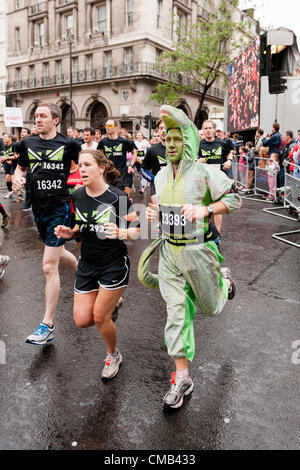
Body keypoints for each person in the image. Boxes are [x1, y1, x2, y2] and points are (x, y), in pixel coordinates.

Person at [138, 106, 241, 410]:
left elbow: (235, 199)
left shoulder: (205, 172)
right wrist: (154, 216)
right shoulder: (158, 177)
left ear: (188, 142)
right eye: (166, 139)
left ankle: (223, 282)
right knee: (177, 314)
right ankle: (182, 377)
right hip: (170, 253)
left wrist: (206, 210)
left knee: (210, 308)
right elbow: (165, 215)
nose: (170, 144)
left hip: (199, 251)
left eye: (176, 139)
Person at [54, 150, 140, 380]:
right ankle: (113, 303)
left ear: (100, 168)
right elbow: (78, 228)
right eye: (80, 165)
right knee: (82, 320)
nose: (81, 169)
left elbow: (139, 228)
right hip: (88, 264)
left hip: (113, 264)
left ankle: (113, 355)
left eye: (87, 164)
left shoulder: (117, 197)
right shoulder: (78, 196)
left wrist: (123, 231)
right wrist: (68, 233)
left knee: (100, 317)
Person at [12, 103, 81, 346]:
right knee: (60, 253)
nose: (37, 120)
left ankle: (47, 325)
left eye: (43, 116)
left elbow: (82, 169)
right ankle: (89, 274)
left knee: (48, 266)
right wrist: (18, 181)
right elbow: (20, 169)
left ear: (55, 120)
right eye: (36, 116)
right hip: (38, 209)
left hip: (60, 208)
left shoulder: (69, 145)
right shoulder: (27, 144)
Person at [198, 120, 234, 236]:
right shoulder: (199, 145)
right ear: (203, 130)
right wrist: (197, 160)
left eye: (210, 128)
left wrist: (229, 160)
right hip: (203, 180)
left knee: (217, 207)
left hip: (218, 180)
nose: (208, 130)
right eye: (205, 128)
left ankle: (217, 235)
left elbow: (229, 153)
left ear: (214, 130)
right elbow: (193, 158)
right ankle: (205, 232)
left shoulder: (221, 143)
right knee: (204, 206)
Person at [97, 119, 137, 195]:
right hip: (107, 173)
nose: (107, 127)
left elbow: (134, 152)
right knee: (108, 196)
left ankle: (123, 207)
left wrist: (131, 166)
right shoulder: (103, 142)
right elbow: (98, 155)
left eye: (110, 126)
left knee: (121, 196)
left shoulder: (123, 141)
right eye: (106, 126)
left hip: (120, 174)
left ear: (115, 127)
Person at [141, 119, 167, 204]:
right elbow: (143, 169)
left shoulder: (179, 148)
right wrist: (154, 179)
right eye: (161, 128)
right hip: (157, 187)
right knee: (159, 213)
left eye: (166, 128)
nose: (163, 131)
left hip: (175, 188)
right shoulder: (153, 149)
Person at [14, 127, 31, 210]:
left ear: (28, 134)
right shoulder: (19, 144)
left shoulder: (33, 143)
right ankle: (27, 204)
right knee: (28, 187)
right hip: (22, 166)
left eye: (24, 132)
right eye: (22, 132)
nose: (22, 133)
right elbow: (16, 155)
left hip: (33, 168)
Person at [0, 133, 17, 199]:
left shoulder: (14, 145)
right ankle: (10, 192)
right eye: (3, 137)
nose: (3, 138)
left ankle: (19, 193)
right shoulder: (3, 147)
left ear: (10, 138)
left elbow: (17, 156)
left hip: (15, 164)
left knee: (13, 180)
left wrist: (8, 158)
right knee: (7, 179)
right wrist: (1, 161)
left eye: (5, 137)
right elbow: (2, 155)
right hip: (7, 164)